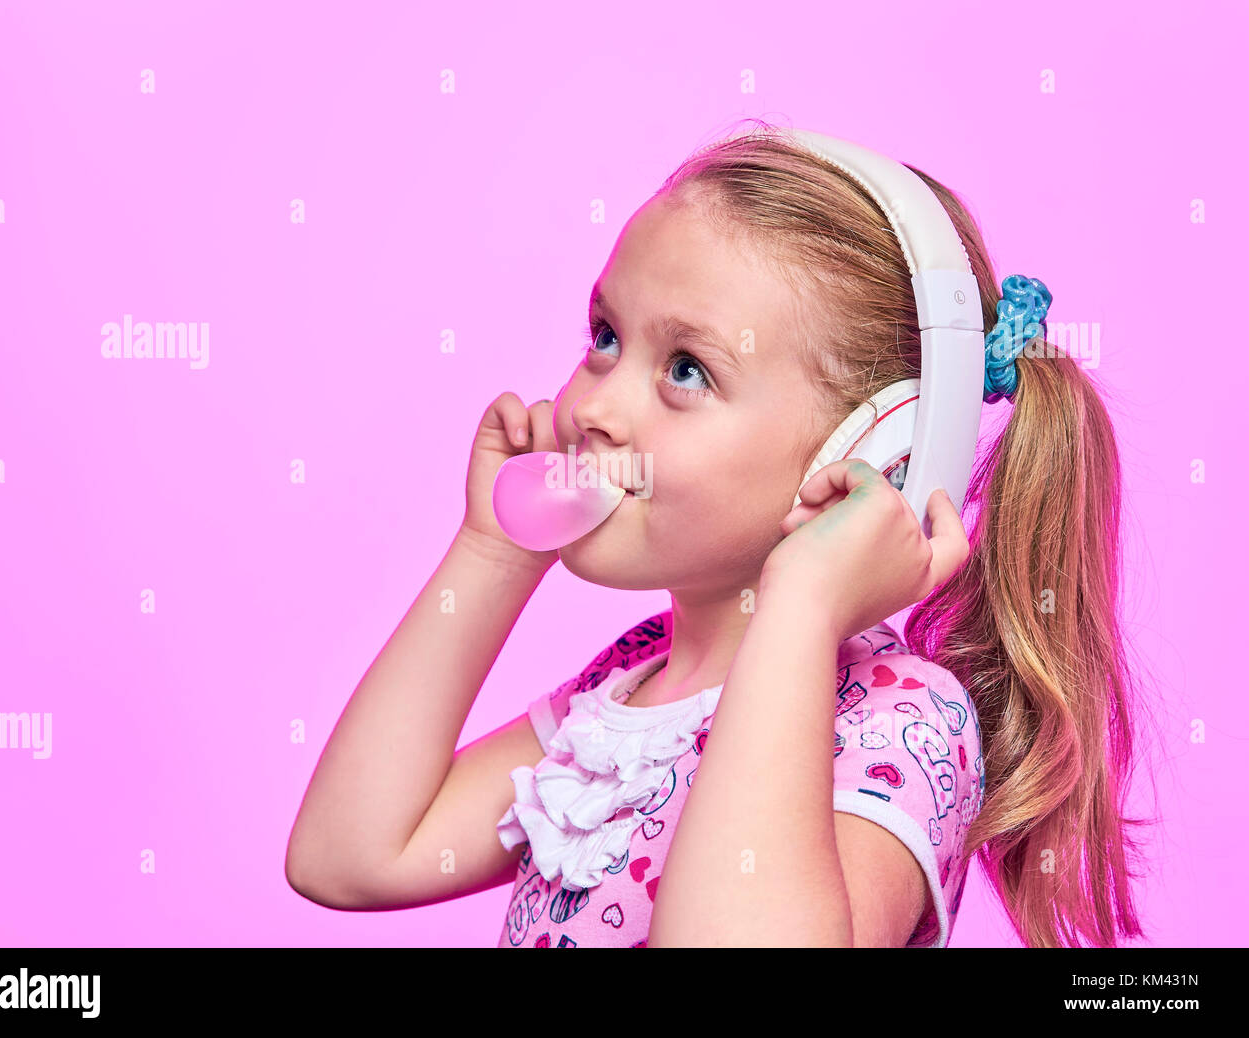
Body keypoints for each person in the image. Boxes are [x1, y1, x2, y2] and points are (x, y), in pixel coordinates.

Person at [285, 120, 1150, 949]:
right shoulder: (633, 683)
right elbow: (351, 855)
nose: (590, 408)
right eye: (604, 337)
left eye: (687, 369)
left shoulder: (901, 722)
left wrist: (803, 607)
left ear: (869, 448)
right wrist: (495, 549)